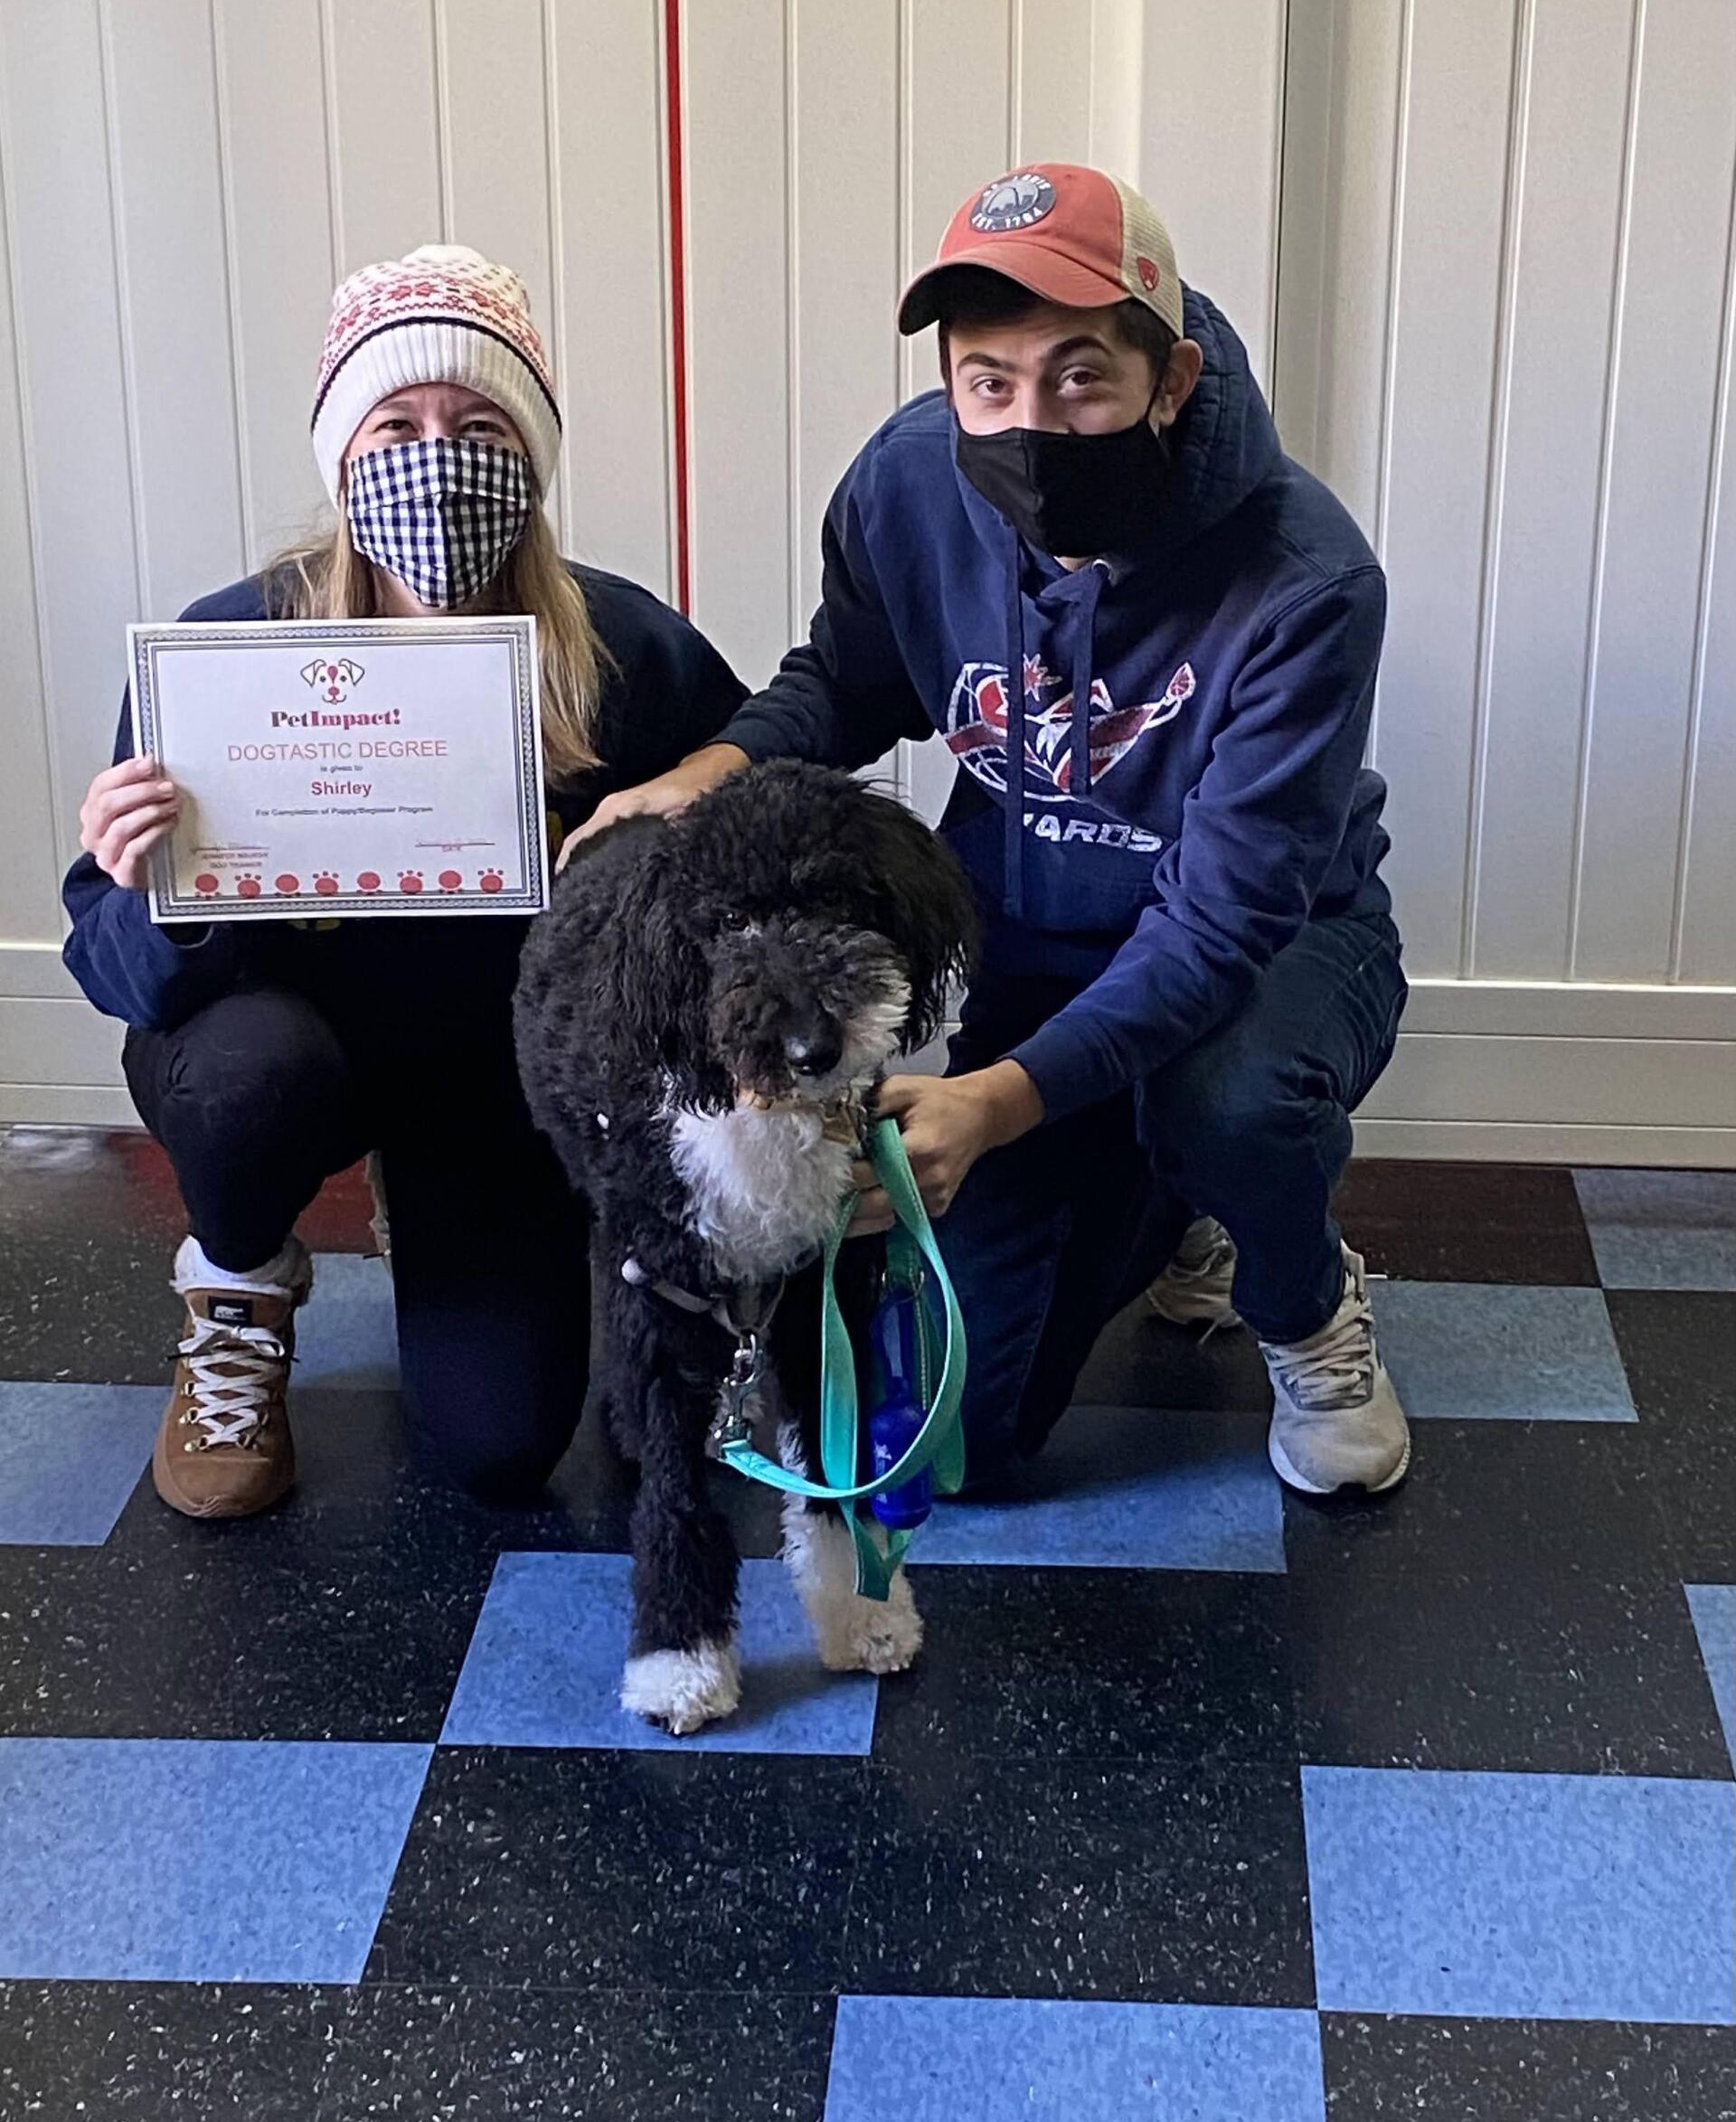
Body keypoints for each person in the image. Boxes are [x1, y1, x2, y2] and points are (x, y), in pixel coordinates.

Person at [573, 165, 1410, 1499]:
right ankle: (1169, 1192)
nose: (1031, 421)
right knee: (972, 1444)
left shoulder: (1308, 579)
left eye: (1082, 375)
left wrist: (992, 1103)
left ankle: (1302, 1305)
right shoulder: (909, 482)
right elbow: (852, 676)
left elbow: (1219, 924)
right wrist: (711, 770)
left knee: (1227, 1098)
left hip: (1276, 950)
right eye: (990, 381)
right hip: (1027, 940)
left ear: (1173, 377)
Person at [63, 244, 743, 1520]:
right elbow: (113, 970)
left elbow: (761, 794)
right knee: (249, 1081)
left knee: (500, 1447)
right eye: (398, 425)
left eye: (481, 423)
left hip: (495, 1080)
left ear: (533, 454)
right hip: (279, 1051)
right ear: (341, 456)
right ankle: (239, 1284)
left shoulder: (623, 647)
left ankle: (443, 1220)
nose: (439, 454)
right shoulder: (224, 651)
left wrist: (666, 826)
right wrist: (144, 879)